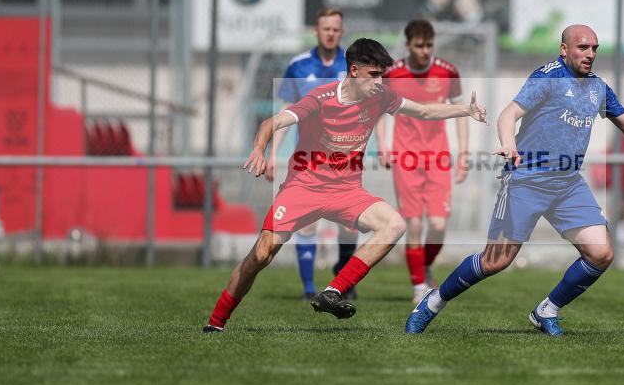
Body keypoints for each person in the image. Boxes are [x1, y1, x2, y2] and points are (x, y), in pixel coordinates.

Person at [405, 24, 624, 337]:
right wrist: (509, 143)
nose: (590, 54)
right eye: (583, 48)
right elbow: (508, 114)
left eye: (594, 49)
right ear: (564, 49)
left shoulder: (598, 88)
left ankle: (547, 310)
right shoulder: (548, 77)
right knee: (495, 261)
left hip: (568, 184)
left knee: (601, 254)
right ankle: (432, 301)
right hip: (526, 180)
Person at [204, 38, 487, 332]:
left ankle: (332, 291)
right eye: (373, 75)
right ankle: (216, 322)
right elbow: (271, 124)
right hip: (303, 187)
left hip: (347, 191)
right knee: (261, 255)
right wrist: (259, 150)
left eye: (383, 75)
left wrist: (466, 110)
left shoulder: (380, 97)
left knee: (393, 225)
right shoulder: (321, 97)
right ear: (354, 70)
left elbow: (424, 111)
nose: (380, 82)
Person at [267, 7, 359, 301]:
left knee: (350, 221)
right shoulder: (298, 65)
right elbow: (285, 111)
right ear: (316, 31)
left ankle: (344, 275)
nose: (331, 33)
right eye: (325, 28)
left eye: (336, 29)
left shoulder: (352, 65)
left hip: (345, 157)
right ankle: (308, 288)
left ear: (341, 32)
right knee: (307, 221)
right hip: (308, 158)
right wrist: (272, 153)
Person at [376, 20, 469, 303]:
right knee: (414, 224)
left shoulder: (447, 71)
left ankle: (425, 264)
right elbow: (379, 110)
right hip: (405, 157)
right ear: (408, 45)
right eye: (419, 45)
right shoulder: (393, 73)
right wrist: (382, 143)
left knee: (438, 225)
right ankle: (418, 285)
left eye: (429, 45)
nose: (425, 51)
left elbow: (459, 112)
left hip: (438, 156)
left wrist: (463, 152)